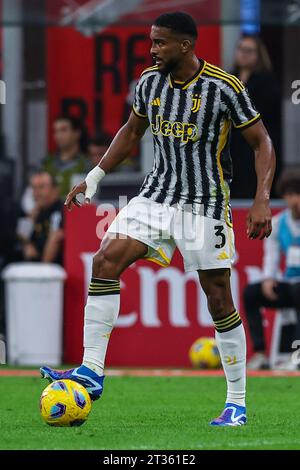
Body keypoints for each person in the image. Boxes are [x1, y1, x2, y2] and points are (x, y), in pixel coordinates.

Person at [40, 12, 276, 427]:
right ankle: (92, 372)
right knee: (104, 261)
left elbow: (261, 142)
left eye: (161, 43)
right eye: (152, 42)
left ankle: (236, 402)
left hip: (205, 203)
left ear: (185, 45)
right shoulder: (149, 82)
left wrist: (261, 199)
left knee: (218, 296)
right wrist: (93, 177)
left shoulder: (224, 87)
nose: (152, 50)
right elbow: (132, 132)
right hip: (155, 197)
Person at [244, 167, 300, 370]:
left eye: (299, 194)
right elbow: (272, 256)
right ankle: (260, 354)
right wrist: (268, 279)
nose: (295, 200)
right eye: (291, 194)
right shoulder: (278, 223)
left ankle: (297, 356)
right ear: (285, 196)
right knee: (251, 293)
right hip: (290, 285)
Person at [230, 36, 281, 199]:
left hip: (255, 145)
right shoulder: (229, 79)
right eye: (241, 49)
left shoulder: (267, 82)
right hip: (232, 148)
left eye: (249, 50)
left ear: (258, 55)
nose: (244, 54)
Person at [20, 171, 64, 264]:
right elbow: (21, 236)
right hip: (34, 267)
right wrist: (30, 218)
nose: (36, 193)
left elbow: (56, 237)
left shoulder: (60, 211)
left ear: (55, 189)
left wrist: (42, 269)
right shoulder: (38, 211)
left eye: (41, 187)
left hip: (52, 271)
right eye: (34, 188)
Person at [43, 116, 88, 198]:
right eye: (56, 131)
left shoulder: (87, 163)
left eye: (64, 130)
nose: (59, 135)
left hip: (75, 209)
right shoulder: (46, 163)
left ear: (77, 133)